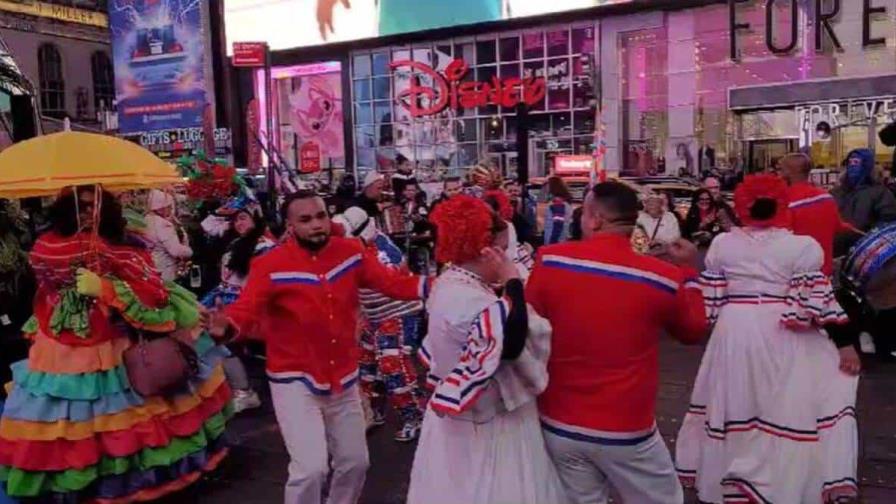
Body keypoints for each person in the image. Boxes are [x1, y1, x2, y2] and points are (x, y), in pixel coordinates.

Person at [0, 185, 231, 501]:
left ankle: (129, 482)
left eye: (93, 206)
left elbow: (153, 294)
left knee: (131, 420)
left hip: (118, 344)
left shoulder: (127, 245)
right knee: (67, 420)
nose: (87, 214)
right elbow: (45, 285)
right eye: (79, 208)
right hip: (62, 347)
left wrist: (107, 287)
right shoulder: (47, 245)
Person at [205, 190, 429, 504]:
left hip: (344, 377)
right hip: (293, 379)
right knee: (310, 470)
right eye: (305, 219)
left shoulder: (351, 251)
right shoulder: (270, 264)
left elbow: (392, 283)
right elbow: (246, 308)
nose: (316, 225)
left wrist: (436, 284)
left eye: (321, 216)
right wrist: (226, 324)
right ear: (290, 225)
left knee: (355, 463)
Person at [675, 174, 858, 504]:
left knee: (737, 399)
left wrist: (688, 269)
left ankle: (731, 474)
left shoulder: (723, 244)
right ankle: (776, 477)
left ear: (743, 206)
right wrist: (846, 345)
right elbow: (820, 302)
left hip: (734, 328)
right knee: (784, 402)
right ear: (781, 205)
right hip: (780, 329)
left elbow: (709, 303)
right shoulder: (802, 247)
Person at [526, 181, 707, 504]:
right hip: (626, 426)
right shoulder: (662, 277)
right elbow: (693, 330)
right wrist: (689, 273)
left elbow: (530, 325)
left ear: (595, 219)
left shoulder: (550, 260)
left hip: (559, 420)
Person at [407, 194, 568, 504]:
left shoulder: (451, 282)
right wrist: (513, 284)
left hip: (459, 425)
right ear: (486, 250)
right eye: (504, 249)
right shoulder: (468, 299)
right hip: (489, 424)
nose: (509, 257)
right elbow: (510, 343)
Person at [332, 207, 427, 442]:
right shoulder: (361, 249)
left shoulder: (382, 251)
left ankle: (414, 417)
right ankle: (371, 412)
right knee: (364, 369)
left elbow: (390, 283)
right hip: (371, 316)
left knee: (393, 367)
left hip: (398, 315)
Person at [780, 152, 863, 370]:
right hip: (824, 272)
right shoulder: (826, 197)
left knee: (802, 330)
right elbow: (839, 226)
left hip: (797, 277)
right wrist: (862, 233)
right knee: (830, 320)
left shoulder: (786, 202)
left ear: (789, 172)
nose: (779, 173)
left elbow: (783, 238)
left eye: (781, 169)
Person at [200, 199, 276, 414]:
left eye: (243, 218)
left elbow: (261, 284)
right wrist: (220, 210)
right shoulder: (237, 242)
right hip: (226, 300)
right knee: (220, 343)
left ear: (256, 218)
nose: (238, 224)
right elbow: (208, 226)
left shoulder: (265, 247)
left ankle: (244, 391)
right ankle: (241, 390)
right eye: (235, 220)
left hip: (250, 307)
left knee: (223, 343)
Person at [832, 148, 896, 258]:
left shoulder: (881, 193)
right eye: (850, 162)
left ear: (866, 166)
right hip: (834, 251)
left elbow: (888, 223)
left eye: (856, 162)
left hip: (864, 254)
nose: (852, 167)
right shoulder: (836, 192)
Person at [145, 189, 193, 282]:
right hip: (166, 269)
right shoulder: (163, 225)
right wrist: (189, 252)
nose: (171, 210)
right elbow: (175, 250)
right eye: (169, 207)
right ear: (161, 208)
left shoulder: (147, 219)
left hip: (152, 266)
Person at [504, 179, 537, 245]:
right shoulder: (502, 205)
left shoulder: (526, 203)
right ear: (505, 192)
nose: (513, 193)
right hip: (508, 238)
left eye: (516, 191)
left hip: (523, 239)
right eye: (510, 191)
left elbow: (531, 222)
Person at [544, 176, 574, 245]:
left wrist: (551, 243)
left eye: (547, 184)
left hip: (555, 242)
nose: (545, 187)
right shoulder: (563, 202)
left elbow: (558, 225)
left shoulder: (557, 202)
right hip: (561, 240)